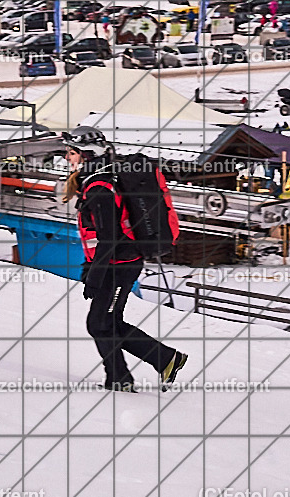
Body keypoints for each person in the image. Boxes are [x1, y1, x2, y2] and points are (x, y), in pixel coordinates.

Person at [61, 126, 188, 393]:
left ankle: (128, 375)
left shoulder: (99, 187)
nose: (66, 157)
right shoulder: (99, 179)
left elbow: (109, 238)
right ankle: (154, 364)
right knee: (108, 323)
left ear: (86, 154)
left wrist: (94, 276)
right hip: (116, 263)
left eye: (71, 152)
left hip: (120, 266)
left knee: (99, 324)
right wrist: (91, 266)